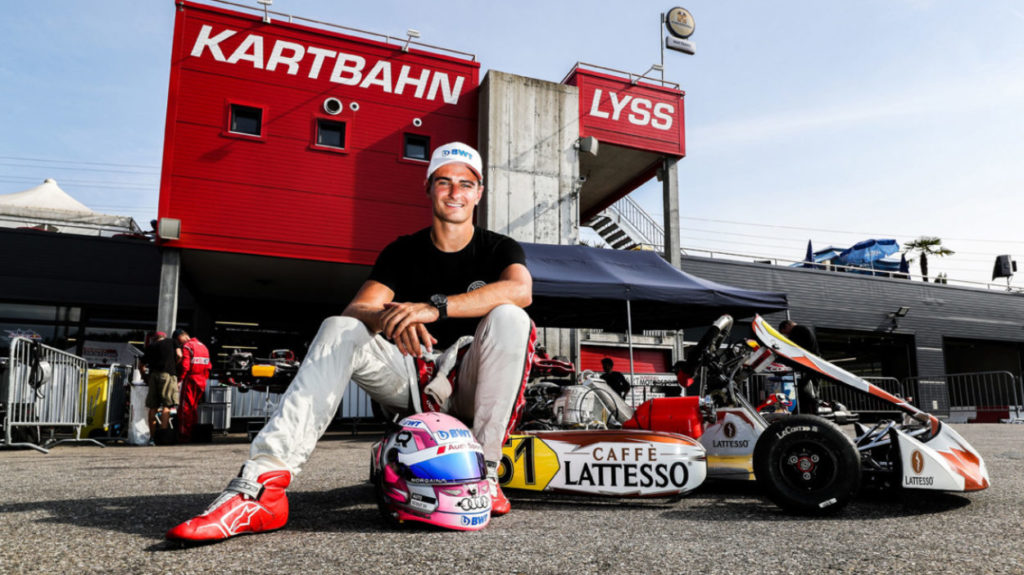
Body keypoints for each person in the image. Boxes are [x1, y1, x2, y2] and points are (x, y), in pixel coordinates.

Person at [166, 142, 535, 542]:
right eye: (444, 181)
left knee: (511, 316)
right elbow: (358, 307)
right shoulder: (403, 251)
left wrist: (433, 308)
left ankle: (485, 473)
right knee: (340, 327)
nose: (455, 192)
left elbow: (521, 290)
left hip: (473, 385)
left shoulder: (499, 248)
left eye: (466, 183)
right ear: (428, 187)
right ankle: (262, 487)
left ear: (479, 193)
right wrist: (389, 317)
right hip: (413, 377)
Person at [173, 328, 212, 443]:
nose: (179, 343)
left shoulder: (187, 346)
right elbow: (209, 366)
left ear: (182, 336)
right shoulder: (203, 346)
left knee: (185, 408)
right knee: (193, 408)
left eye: (178, 340)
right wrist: (204, 379)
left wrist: (180, 380)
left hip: (190, 380)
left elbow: (185, 366)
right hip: (202, 380)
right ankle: (193, 434)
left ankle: (184, 435)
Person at [142, 331, 179, 443]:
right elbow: (179, 355)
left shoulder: (150, 347)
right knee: (167, 406)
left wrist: (145, 377)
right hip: (167, 375)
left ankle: (152, 438)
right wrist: (174, 365)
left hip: (153, 376)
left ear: (154, 338)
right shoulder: (172, 342)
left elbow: (141, 366)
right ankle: (163, 437)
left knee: (153, 407)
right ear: (164, 337)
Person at [778, 319, 821, 415]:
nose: (787, 335)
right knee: (806, 389)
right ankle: (805, 412)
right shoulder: (803, 329)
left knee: (807, 390)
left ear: (787, 326)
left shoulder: (797, 331)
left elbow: (792, 349)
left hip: (811, 366)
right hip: (813, 365)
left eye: (785, 333)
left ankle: (812, 413)